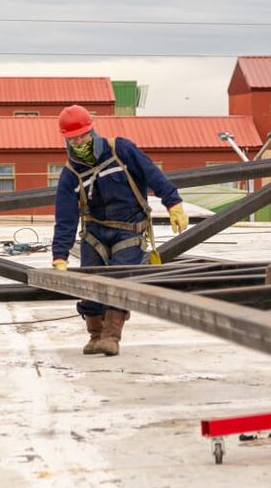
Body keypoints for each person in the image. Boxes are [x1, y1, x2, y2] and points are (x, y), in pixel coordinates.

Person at [51, 105, 189, 356]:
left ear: (91, 130)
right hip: (95, 233)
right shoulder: (71, 173)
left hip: (130, 229)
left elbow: (153, 174)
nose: (79, 141)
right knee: (89, 284)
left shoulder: (121, 150)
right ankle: (95, 336)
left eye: (82, 135)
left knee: (118, 280)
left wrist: (174, 203)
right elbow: (65, 217)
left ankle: (111, 337)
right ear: (66, 139)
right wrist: (59, 254)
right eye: (73, 138)